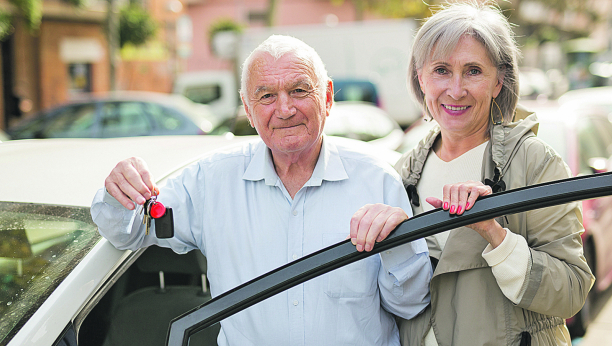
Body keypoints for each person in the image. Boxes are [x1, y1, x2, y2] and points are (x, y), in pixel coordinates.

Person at [91, 34, 431, 346]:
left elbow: (412, 304)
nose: (285, 109)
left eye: (299, 90)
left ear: (327, 97)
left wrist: (396, 245)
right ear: (248, 109)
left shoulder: (377, 181)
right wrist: (120, 191)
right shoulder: (211, 182)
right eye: (267, 95)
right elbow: (128, 232)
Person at [355, 2, 594, 346]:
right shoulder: (400, 174)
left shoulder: (534, 162)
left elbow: (571, 291)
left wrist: (493, 234)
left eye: (473, 71)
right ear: (420, 78)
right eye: (441, 70)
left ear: (499, 81)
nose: (455, 89)